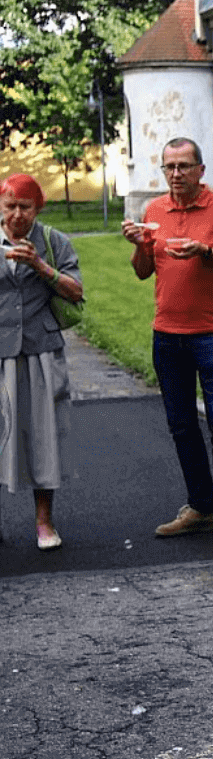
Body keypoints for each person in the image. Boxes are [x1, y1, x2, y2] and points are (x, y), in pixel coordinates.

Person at [121, 138, 213, 553]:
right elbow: (144, 272)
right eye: (169, 167)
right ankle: (200, 506)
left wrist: (207, 252)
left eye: (184, 166)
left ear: (201, 169)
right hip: (167, 332)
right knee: (181, 424)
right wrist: (140, 245)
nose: (176, 174)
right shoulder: (155, 211)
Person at [0, 173, 83, 551]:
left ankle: (44, 521)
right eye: (10, 206)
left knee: (43, 436)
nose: (18, 215)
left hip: (40, 350)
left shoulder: (52, 242)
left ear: (38, 208)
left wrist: (40, 265)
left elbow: (76, 291)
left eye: (25, 207)